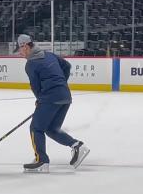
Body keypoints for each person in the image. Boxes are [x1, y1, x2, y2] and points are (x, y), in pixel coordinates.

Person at [15, 34, 90, 172]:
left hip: (50, 98)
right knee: (51, 129)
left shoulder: (31, 64)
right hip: (65, 96)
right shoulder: (49, 55)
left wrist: (40, 100)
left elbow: (36, 87)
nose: (20, 53)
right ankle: (77, 145)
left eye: (19, 50)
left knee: (36, 128)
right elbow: (67, 66)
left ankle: (42, 161)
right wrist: (60, 84)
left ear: (25, 46)